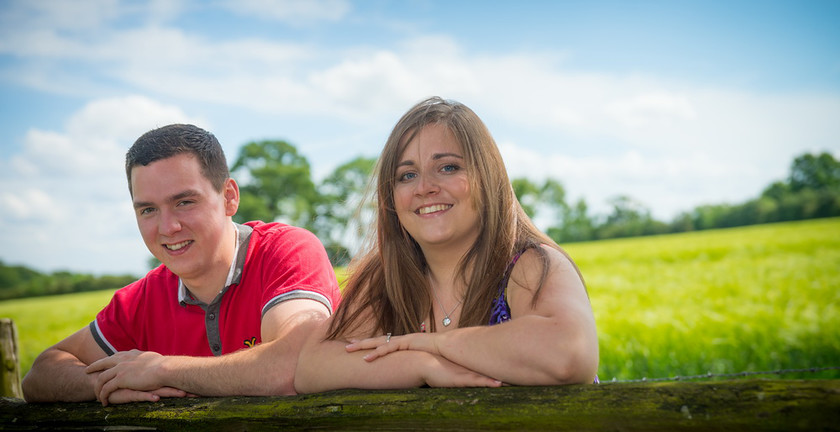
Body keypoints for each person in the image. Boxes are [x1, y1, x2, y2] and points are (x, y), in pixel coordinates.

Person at [294, 97, 598, 393]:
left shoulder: (532, 264)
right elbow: (311, 369)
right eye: (407, 175)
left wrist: (434, 343)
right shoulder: (386, 278)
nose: (425, 187)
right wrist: (421, 365)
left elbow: (570, 355)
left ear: (486, 176)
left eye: (448, 167)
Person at [22, 124, 341, 405]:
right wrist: (101, 383)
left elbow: (294, 363)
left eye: (184, 202)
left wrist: (161, 370)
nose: (167, 227)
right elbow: (42, 371)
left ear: (229, 197)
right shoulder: (142, 299)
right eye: (148, 210)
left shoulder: (285, 251)